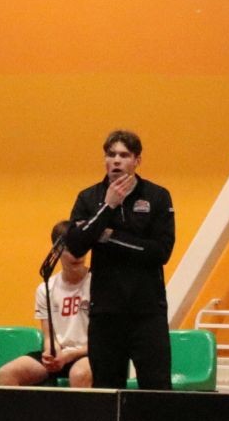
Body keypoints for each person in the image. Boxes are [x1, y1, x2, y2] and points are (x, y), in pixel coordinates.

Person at [63, 130, 176, 391]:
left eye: (124, 155)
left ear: (137, 161)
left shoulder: (157, 196)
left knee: (157, 389)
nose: (116, 160)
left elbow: (160, 252)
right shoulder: (89, 198)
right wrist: (108, 206)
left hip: (147, 310)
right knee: (106, 389)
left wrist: (109, 236)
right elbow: (76, 246)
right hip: (106, 312)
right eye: (111, 154)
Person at [0, 223, 93, 387]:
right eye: (70, 250)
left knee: (79, 374)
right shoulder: (46, 288)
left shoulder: (99, 284)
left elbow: (107, 339)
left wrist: (70, 355)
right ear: (55, 251)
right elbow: (49, 337)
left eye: (81, 249)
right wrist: (51, 352)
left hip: (89, 352)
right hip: (60, 354)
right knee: (7, 373)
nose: (76, 256)